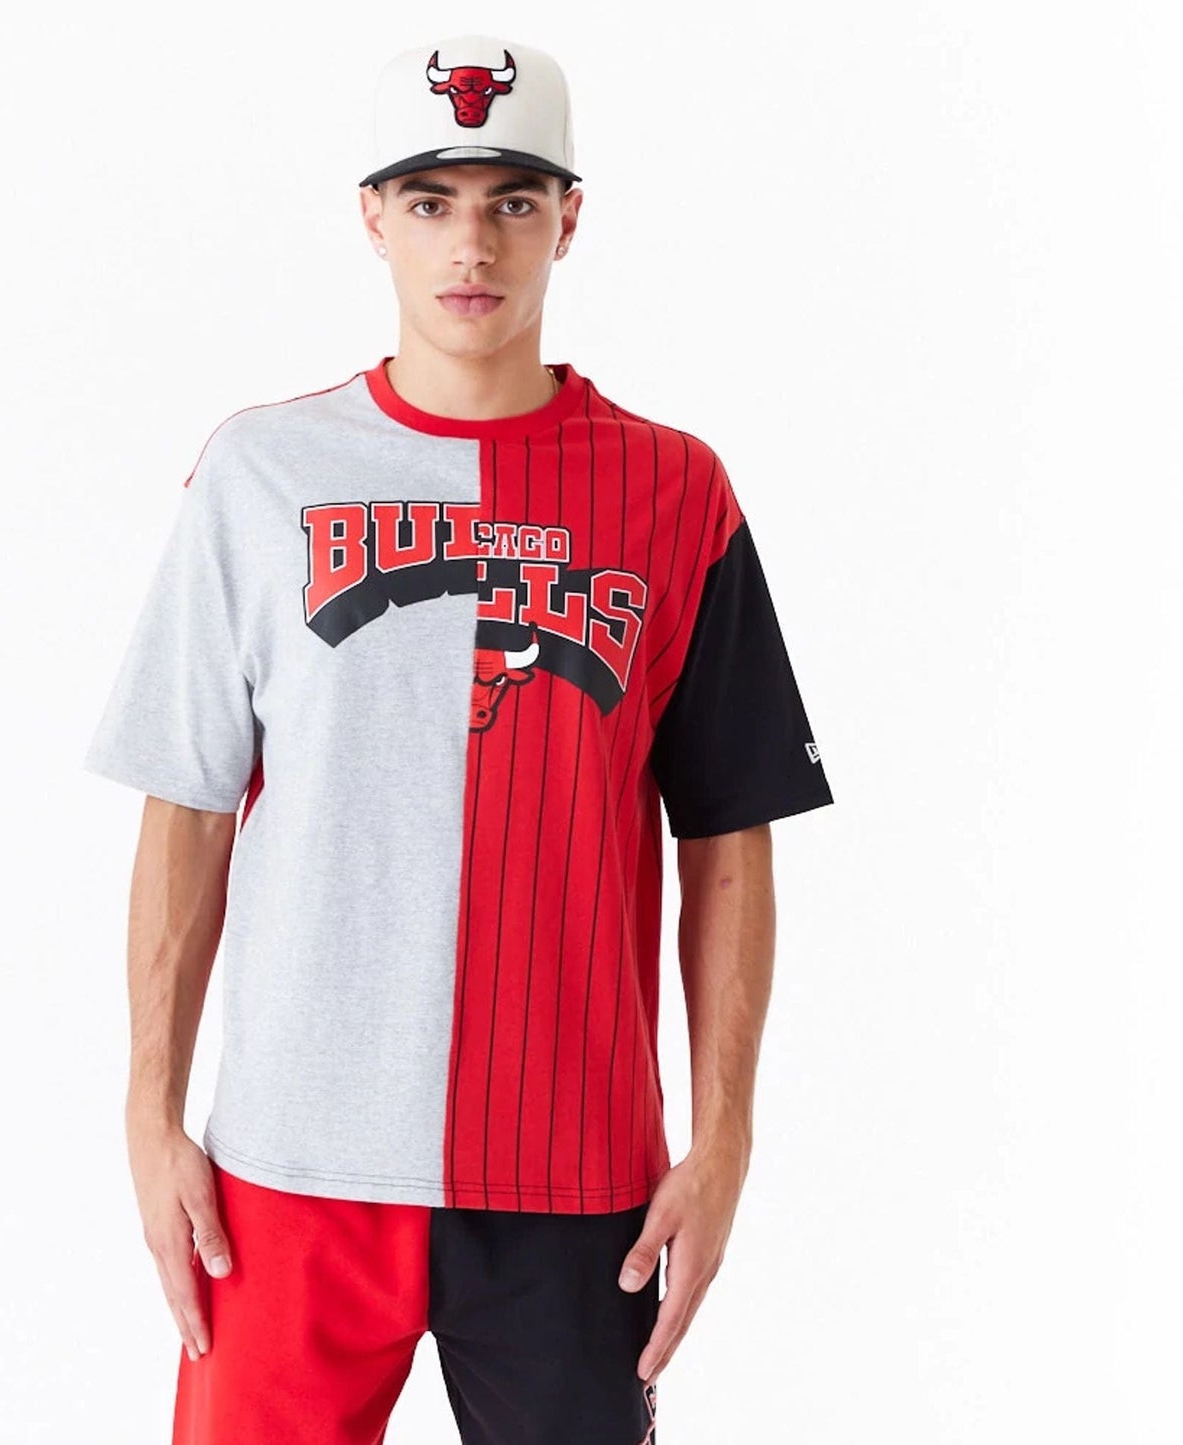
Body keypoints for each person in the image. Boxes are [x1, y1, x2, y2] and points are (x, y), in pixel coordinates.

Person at [83, 32, 833, 1444]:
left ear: (569, 218)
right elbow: (185, 805)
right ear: (372, 217)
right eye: (430, 201)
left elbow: (729, 835)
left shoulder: (677, 492)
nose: (471, 244)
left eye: (511, 201)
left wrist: (725, 1135)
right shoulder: (260, 474)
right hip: (287, 1168)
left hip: (573, 1174)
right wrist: (148, 1112)